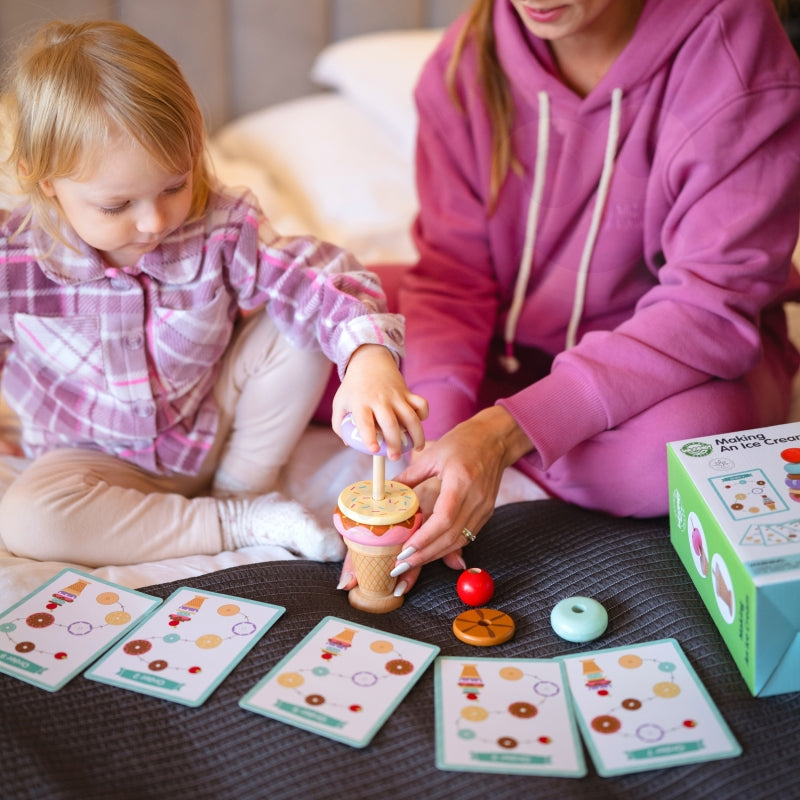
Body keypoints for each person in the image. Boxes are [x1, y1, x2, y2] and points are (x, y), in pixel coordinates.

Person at [339, 0, 800, 595]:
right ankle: (523, 429)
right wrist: (437, 452)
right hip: (512, 340)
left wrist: (503, 434)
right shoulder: (462, 65)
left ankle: (534, 424)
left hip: (670, 357)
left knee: (685, 449)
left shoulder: (736, 54)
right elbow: (453, 278)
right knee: (346, 319)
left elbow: (708, 306)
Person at [0, 20, 427, 567]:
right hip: (89, 460)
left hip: (212, 434)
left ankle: (243, 492)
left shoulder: (220, 225)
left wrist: (368, 357)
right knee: (27, 519)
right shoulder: (16, 262)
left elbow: (315, 274)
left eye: (173, 185)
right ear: (45, 181)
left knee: (296, 328)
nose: (155, 220)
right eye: (117, 206)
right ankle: (234, 522)